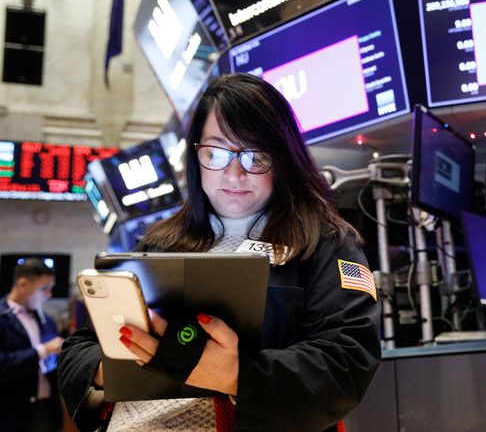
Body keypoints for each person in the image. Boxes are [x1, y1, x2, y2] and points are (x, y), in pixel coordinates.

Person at [58, 74, 382, 431]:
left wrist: (237, 376)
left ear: (284, 158)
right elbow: (80, 346)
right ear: (196, 155)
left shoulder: (324, 243)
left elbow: (348, 360)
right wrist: (113, 367)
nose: (233, 173)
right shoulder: (157, 243)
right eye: (216, 153)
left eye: (255, 156)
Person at [1, 258, 64, 432]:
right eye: (44, 289)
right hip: (10, 413)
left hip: (47, 408)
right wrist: (43, 350)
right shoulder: (1, 318)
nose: (49, 295)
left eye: (51, 289)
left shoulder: (48, 321)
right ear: (23, 284)